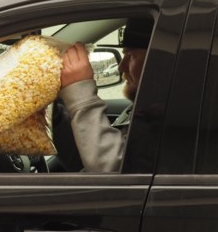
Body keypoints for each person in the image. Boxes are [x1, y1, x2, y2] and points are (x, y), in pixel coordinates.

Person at [56, 17, 153, 173]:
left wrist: (80, 94)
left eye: (132, 55)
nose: (121, 67)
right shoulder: (146, 108)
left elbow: (114, 175)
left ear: (161, 62)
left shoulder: (171, 117)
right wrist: (56, 115)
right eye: (124, 55)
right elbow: (84, 160)